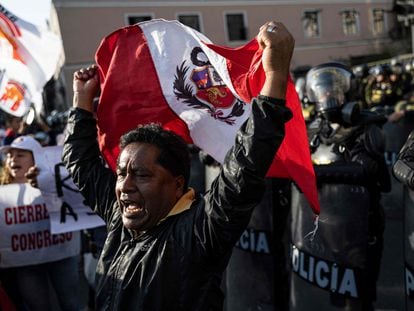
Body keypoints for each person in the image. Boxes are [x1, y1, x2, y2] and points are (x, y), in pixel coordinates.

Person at [62, 21, 294, 310]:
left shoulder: (197, 233)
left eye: (142, 174)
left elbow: (244, 167)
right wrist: (82, 100)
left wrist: (274, 75)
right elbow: (81, 163)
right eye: (121, 173)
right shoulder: (118, 219)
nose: (124, 186)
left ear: (177, 185)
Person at [0, 135, 81, 311]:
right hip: (25, 262)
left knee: (71, 303)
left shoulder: (58, 182)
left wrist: (46, 185)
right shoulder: (1, 193)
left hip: (61, 254)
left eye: (20, 155)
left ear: (35, 157)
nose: (13, 159)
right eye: (9, 155)